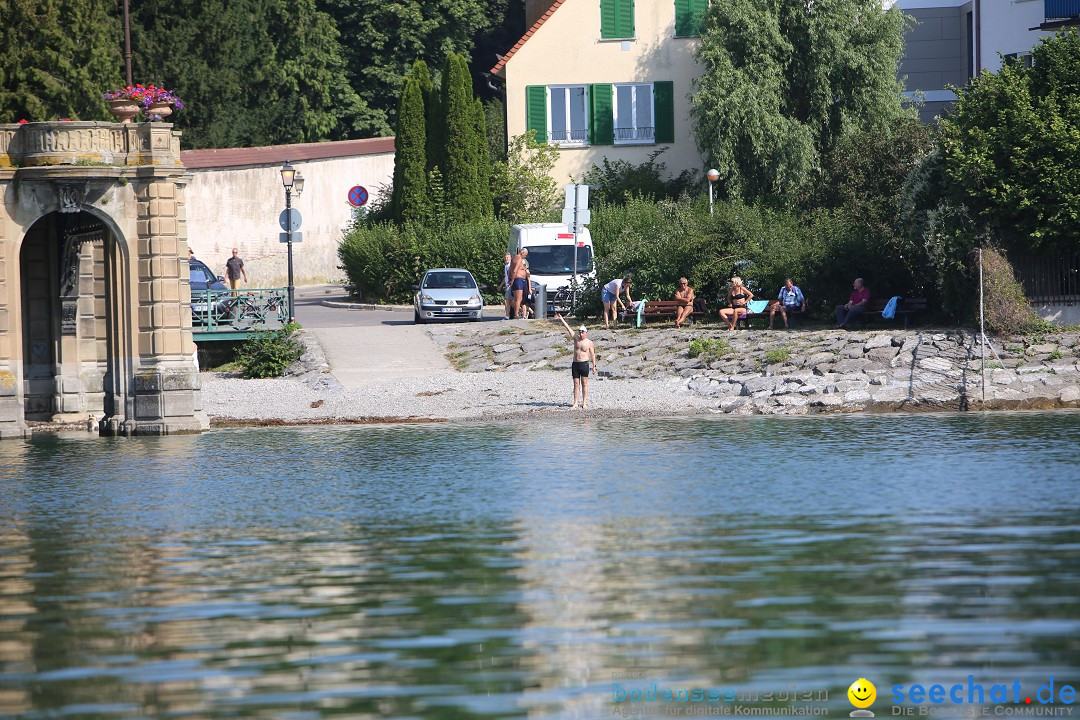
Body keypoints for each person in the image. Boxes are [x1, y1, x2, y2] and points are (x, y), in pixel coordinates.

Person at [555, 313, 597, 410]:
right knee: (576, 384)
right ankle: (575, 403)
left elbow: (593, 355)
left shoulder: (589, 342)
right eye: (580, 332)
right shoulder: (576, 339)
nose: (581, 334)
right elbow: (568, 328)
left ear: (586, 332)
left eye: (583, 332)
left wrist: (594, 366)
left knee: (584, 383)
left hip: (584, 364)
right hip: (575, 364)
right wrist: (561, 319)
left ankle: (584, 402)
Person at [508, 248, 531, 319]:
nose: (525, 256)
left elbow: (510, 270)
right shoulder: (519, 259)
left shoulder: (514, 258)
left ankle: (517, 313)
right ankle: (516, 314)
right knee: (518, 298)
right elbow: (515, 270)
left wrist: (510, 278)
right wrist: (512, 280)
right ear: (522, 253)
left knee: (518, 298)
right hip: (519, 280)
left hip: (519, 280)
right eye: (525, 255)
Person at [498, 253, 513, 320]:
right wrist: (501, 285)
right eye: (505, 257)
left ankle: (507, 316)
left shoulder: (510, 266)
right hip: (507, 285)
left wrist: (510, 283)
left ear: (510, 258)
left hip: (510, 285)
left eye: (507, 257)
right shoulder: (506, 266)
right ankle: (529, 311)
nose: (506, 259)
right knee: (511, 302)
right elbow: (506, 277)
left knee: (506, 300)